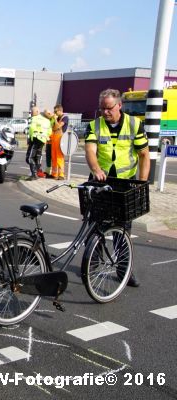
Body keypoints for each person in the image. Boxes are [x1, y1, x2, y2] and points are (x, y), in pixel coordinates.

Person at [84, 88, 150, 288]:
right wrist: (96, 169)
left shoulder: (134, 124)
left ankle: (124, 271)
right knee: (95, 224)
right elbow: (90, 150)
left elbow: (144, 155)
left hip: (124, 183)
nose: (105, 112)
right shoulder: (94, 125)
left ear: (119, 105)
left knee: (123, 230)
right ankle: (90, 266)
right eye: (102, 108)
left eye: (109, 108)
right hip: (100, 181)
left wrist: (141, 183)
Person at [26, 107, 52, 180]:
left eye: (32, 112)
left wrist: (30, 139)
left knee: (30, 157)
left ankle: (34, 174)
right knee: (37, 156)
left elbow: (31, 128)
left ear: (37, 111)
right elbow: (50, 131)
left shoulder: (34, 118)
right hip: (43, 140)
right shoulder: (47, 120)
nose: (31, 113)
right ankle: (36, 172)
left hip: (35, 138)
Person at [50, 104, 69, 179]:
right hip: (54, 139)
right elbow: (54, 128)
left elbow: (58, 126)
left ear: (60, 110)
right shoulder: (57, 118)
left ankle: (61, 174)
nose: (54, 113)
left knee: (59, 156)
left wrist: (55, 120)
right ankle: (54, 173)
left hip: (60, 139)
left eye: (55, 111)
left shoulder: (65, 118)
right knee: (54, 156)